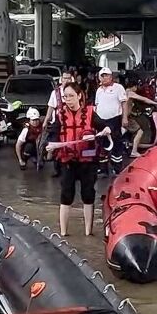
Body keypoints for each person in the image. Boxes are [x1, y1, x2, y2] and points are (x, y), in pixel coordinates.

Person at [53, 82, 103, 237]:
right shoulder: (60, 115)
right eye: (65, 96)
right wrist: (50, 146)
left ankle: (88, 232)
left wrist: (105, 130)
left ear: (79, 96)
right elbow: (53, 134)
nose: (68, 99)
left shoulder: (90, 113)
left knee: (88, 194)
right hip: (68, 161)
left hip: (87, 161)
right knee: (66, 194)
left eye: (71, 96)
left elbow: (104, 127)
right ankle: (63, 232)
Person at [93, 67, 128, 173]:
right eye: (102, 76)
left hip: (114, 119)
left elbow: (124, 103)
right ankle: (103, 168)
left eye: (106, 75)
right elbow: (96, 105)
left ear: (111, 76)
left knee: (116, 142)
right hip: (101, 121)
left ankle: (117, 167)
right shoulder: (99, 90)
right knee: (101, 143)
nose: (104, 78)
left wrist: (125, 117)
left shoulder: (118, 88)